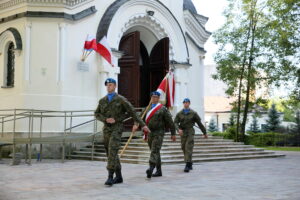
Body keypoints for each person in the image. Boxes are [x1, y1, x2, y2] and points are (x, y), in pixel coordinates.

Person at [94, 78, 150, 186]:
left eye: (110, 85)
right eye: (107, 85)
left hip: (117, 128)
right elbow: (97, 114)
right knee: (111, 153)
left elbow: (132, 112)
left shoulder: (121, 100)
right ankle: (119, 176)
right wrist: (105, 119)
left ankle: (110, 176)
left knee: (112, 150)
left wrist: (142, 125)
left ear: (115, 86)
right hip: (106, 129)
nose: (108, 87)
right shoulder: (102, 101)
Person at [134, 91, 176, 178]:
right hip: (149, 133)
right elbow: (139, 118)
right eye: (153, 97)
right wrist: (136, 124)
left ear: (159, 98)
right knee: (155, 151)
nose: (154, 98)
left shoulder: (163, 109)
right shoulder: (147, 108)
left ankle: (151, 168)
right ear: (151, 98)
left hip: (159, 133)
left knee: (154, 151)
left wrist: (173, 133)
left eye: (156, 97)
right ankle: (159, 171)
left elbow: (170, 122)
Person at [174, 98, 207, 173]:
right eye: (184, 103)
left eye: (187, 102)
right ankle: (190, 162)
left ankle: (187, 164)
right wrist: (178, 129)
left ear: (189, 103)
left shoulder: (193, 113)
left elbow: (199, 123)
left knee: (188, 147)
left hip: (190, 131)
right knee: (183, 147)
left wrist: (204, 132)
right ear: (183, 104)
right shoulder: (179, 113)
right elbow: (175, 122)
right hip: (183, 132)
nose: (186, 104)